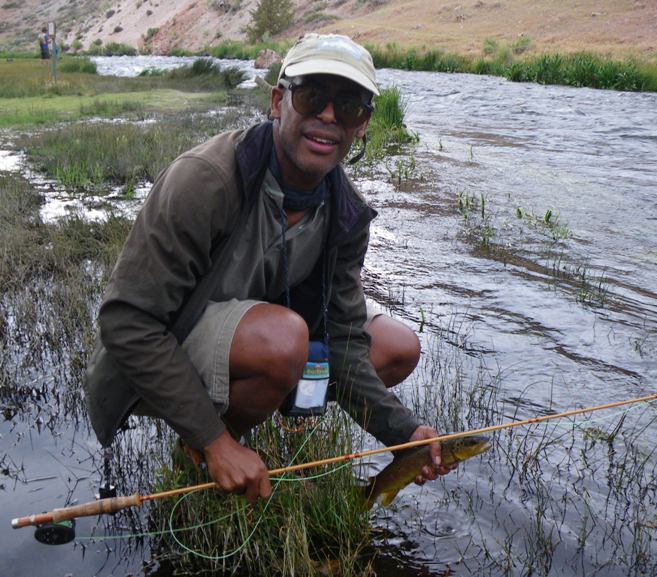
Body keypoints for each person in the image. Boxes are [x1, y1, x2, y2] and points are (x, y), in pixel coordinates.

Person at [86, 33, 455, 504]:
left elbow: (343, 339)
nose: (327, 116)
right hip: (173, 342)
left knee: (398, 346)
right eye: (312, 96)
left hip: (266, 337)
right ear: (278, 102)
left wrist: (404, 433)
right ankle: (202, 449)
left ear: (361, 125)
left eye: (349, 106)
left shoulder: (347, 213)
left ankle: (253, 410)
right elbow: (127, 321)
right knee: (284, 340)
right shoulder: (206, 179)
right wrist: (213, 440)